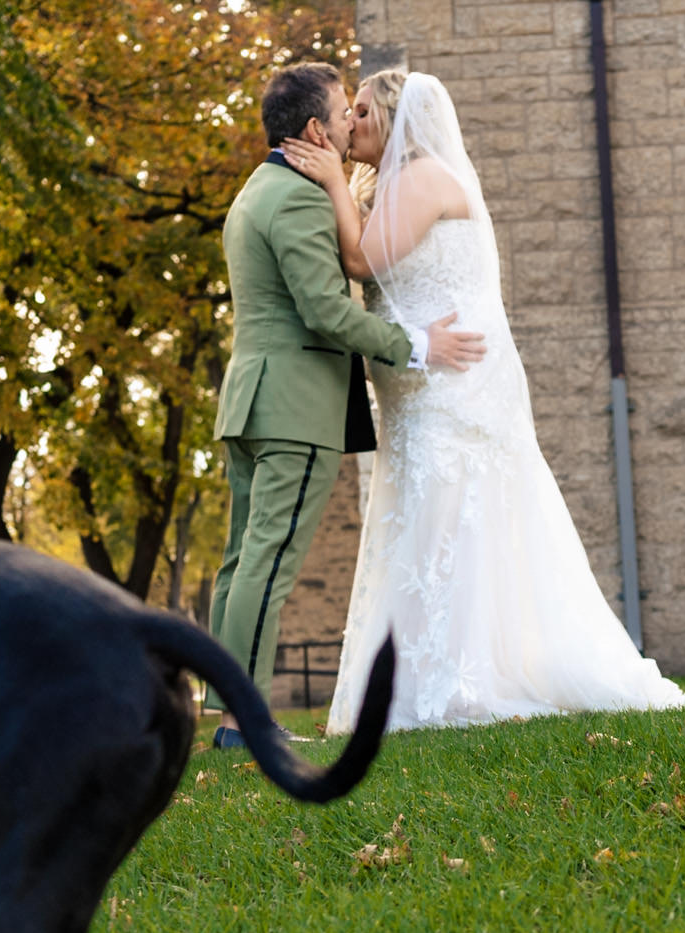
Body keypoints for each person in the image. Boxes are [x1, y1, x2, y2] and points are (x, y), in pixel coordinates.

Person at [283, 69, 685, 733]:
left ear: (395, 119)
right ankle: (419, 684)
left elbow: (364, 264)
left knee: (449, 529)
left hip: (448, 391)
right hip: (418, 392)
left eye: (363, 112)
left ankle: (456, 686)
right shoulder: (396, 184)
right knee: (429, 533)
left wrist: (335, 184)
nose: (352, 125)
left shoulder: (422, 178)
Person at [205, 63, 487, 750]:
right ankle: (246, 723)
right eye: (340, 114)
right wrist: (417, 344)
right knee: (266, 563)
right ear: (312, 130)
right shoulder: (299, 198)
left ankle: (230, 715)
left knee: (243, 560)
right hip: (293, 407)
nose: (349, 124)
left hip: (252, 401)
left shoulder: (257, 190)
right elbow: (328, 313)